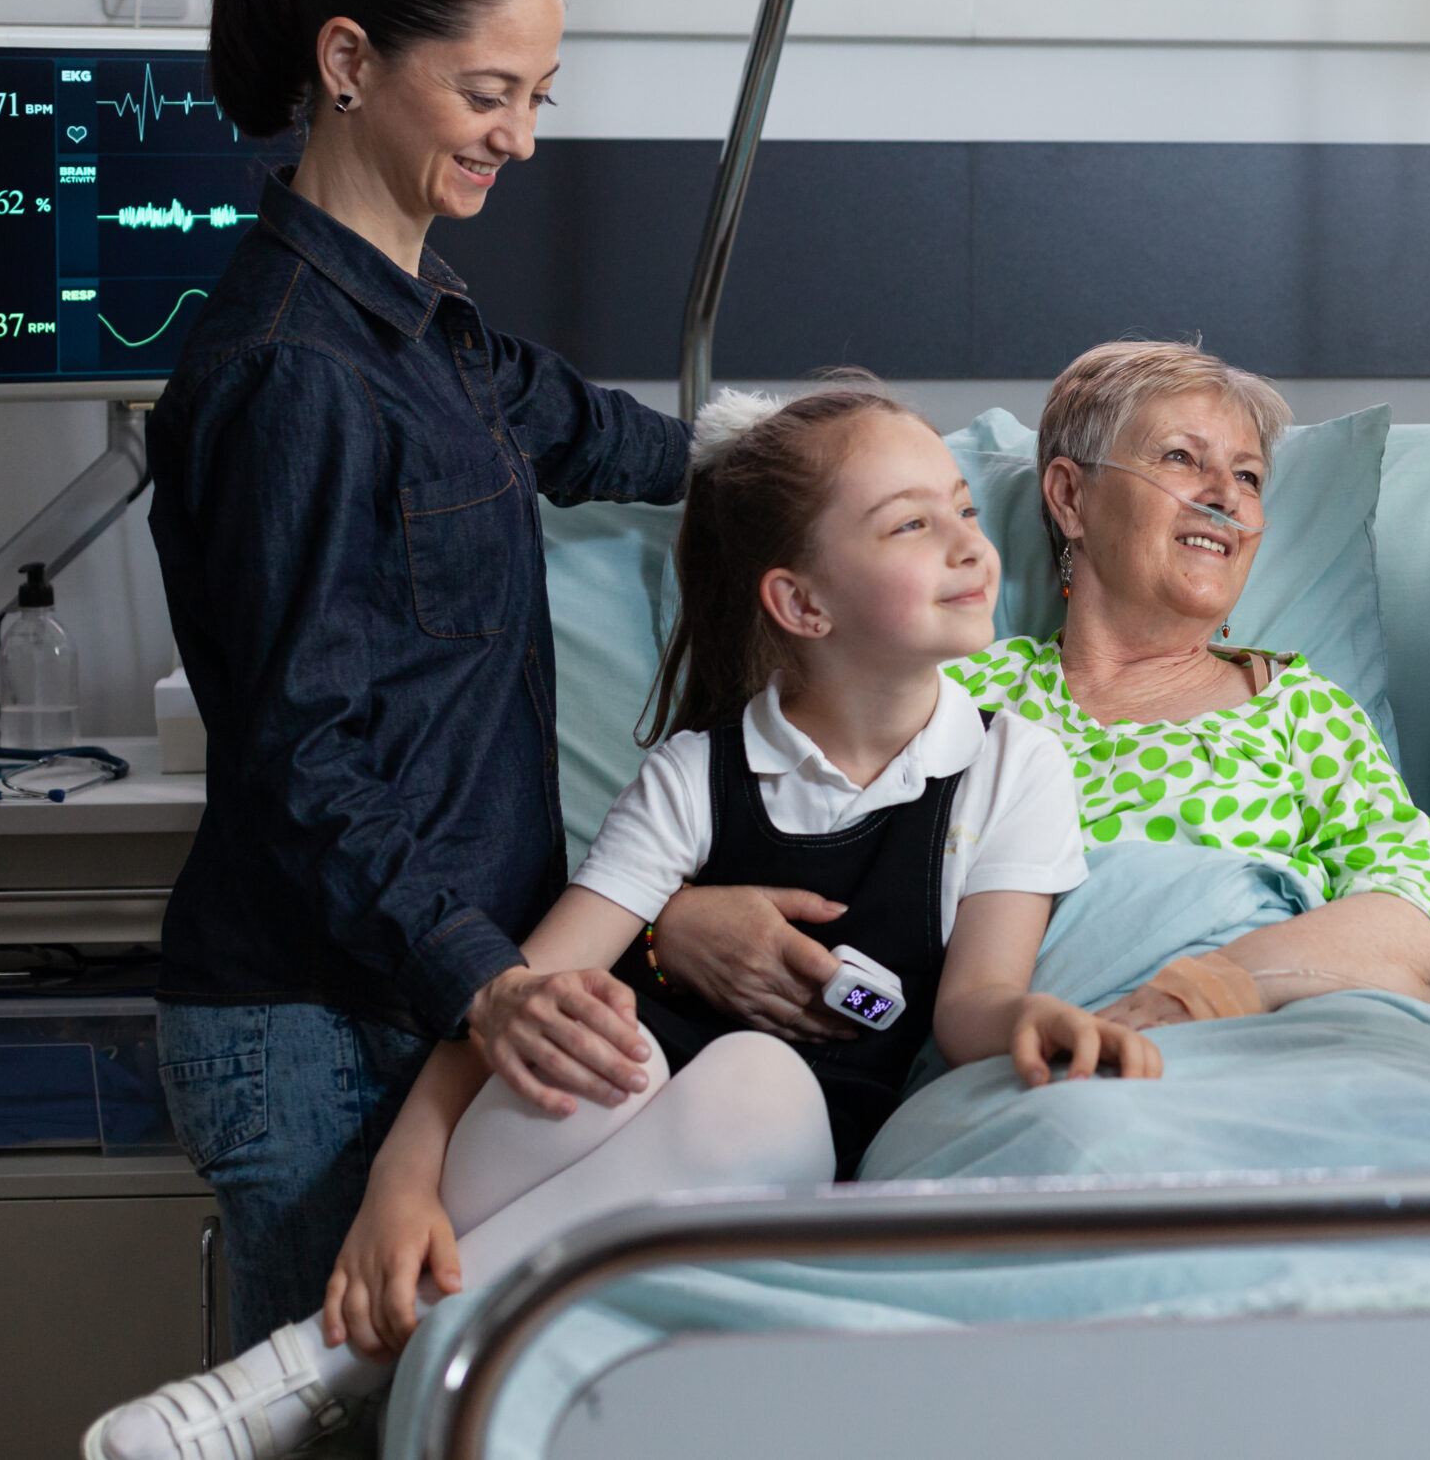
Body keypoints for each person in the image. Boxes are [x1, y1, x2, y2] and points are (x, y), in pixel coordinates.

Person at [92, 387, 1156, 1460]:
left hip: (780, 1156)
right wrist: (399, 1184)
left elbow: (974, 1000)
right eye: (911, 525)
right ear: (802, 603)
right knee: (595, 1038)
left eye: (966, 511)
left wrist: (1034, 1018)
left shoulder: (1011, 764)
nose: (970, 546)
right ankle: (378, 1361)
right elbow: (512, 1004)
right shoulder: (695, 774)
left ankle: (316, 1371)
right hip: (569, 1147)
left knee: (761, 1080)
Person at [145, 0, 689, 1358]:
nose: (519, 135)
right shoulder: (294, 375)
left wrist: (800, 459)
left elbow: (578, 427)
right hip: (317, 1028)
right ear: (347, 63)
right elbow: (300, 761)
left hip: (419, 997)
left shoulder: (419, 321)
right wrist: (492, 982)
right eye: (488, 92)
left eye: (540, 96)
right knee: (323, 1419)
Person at [649, 341, 1430, 1035]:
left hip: (1280, 1039)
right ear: (1070, 496)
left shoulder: (1303, 713)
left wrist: (1206, 988)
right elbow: (765, 821)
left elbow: (1429, 924)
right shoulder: (956, 695)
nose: (1226, 497)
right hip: (1026, 1059)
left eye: (1250, 477)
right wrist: (673, 926)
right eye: (1181, 458)